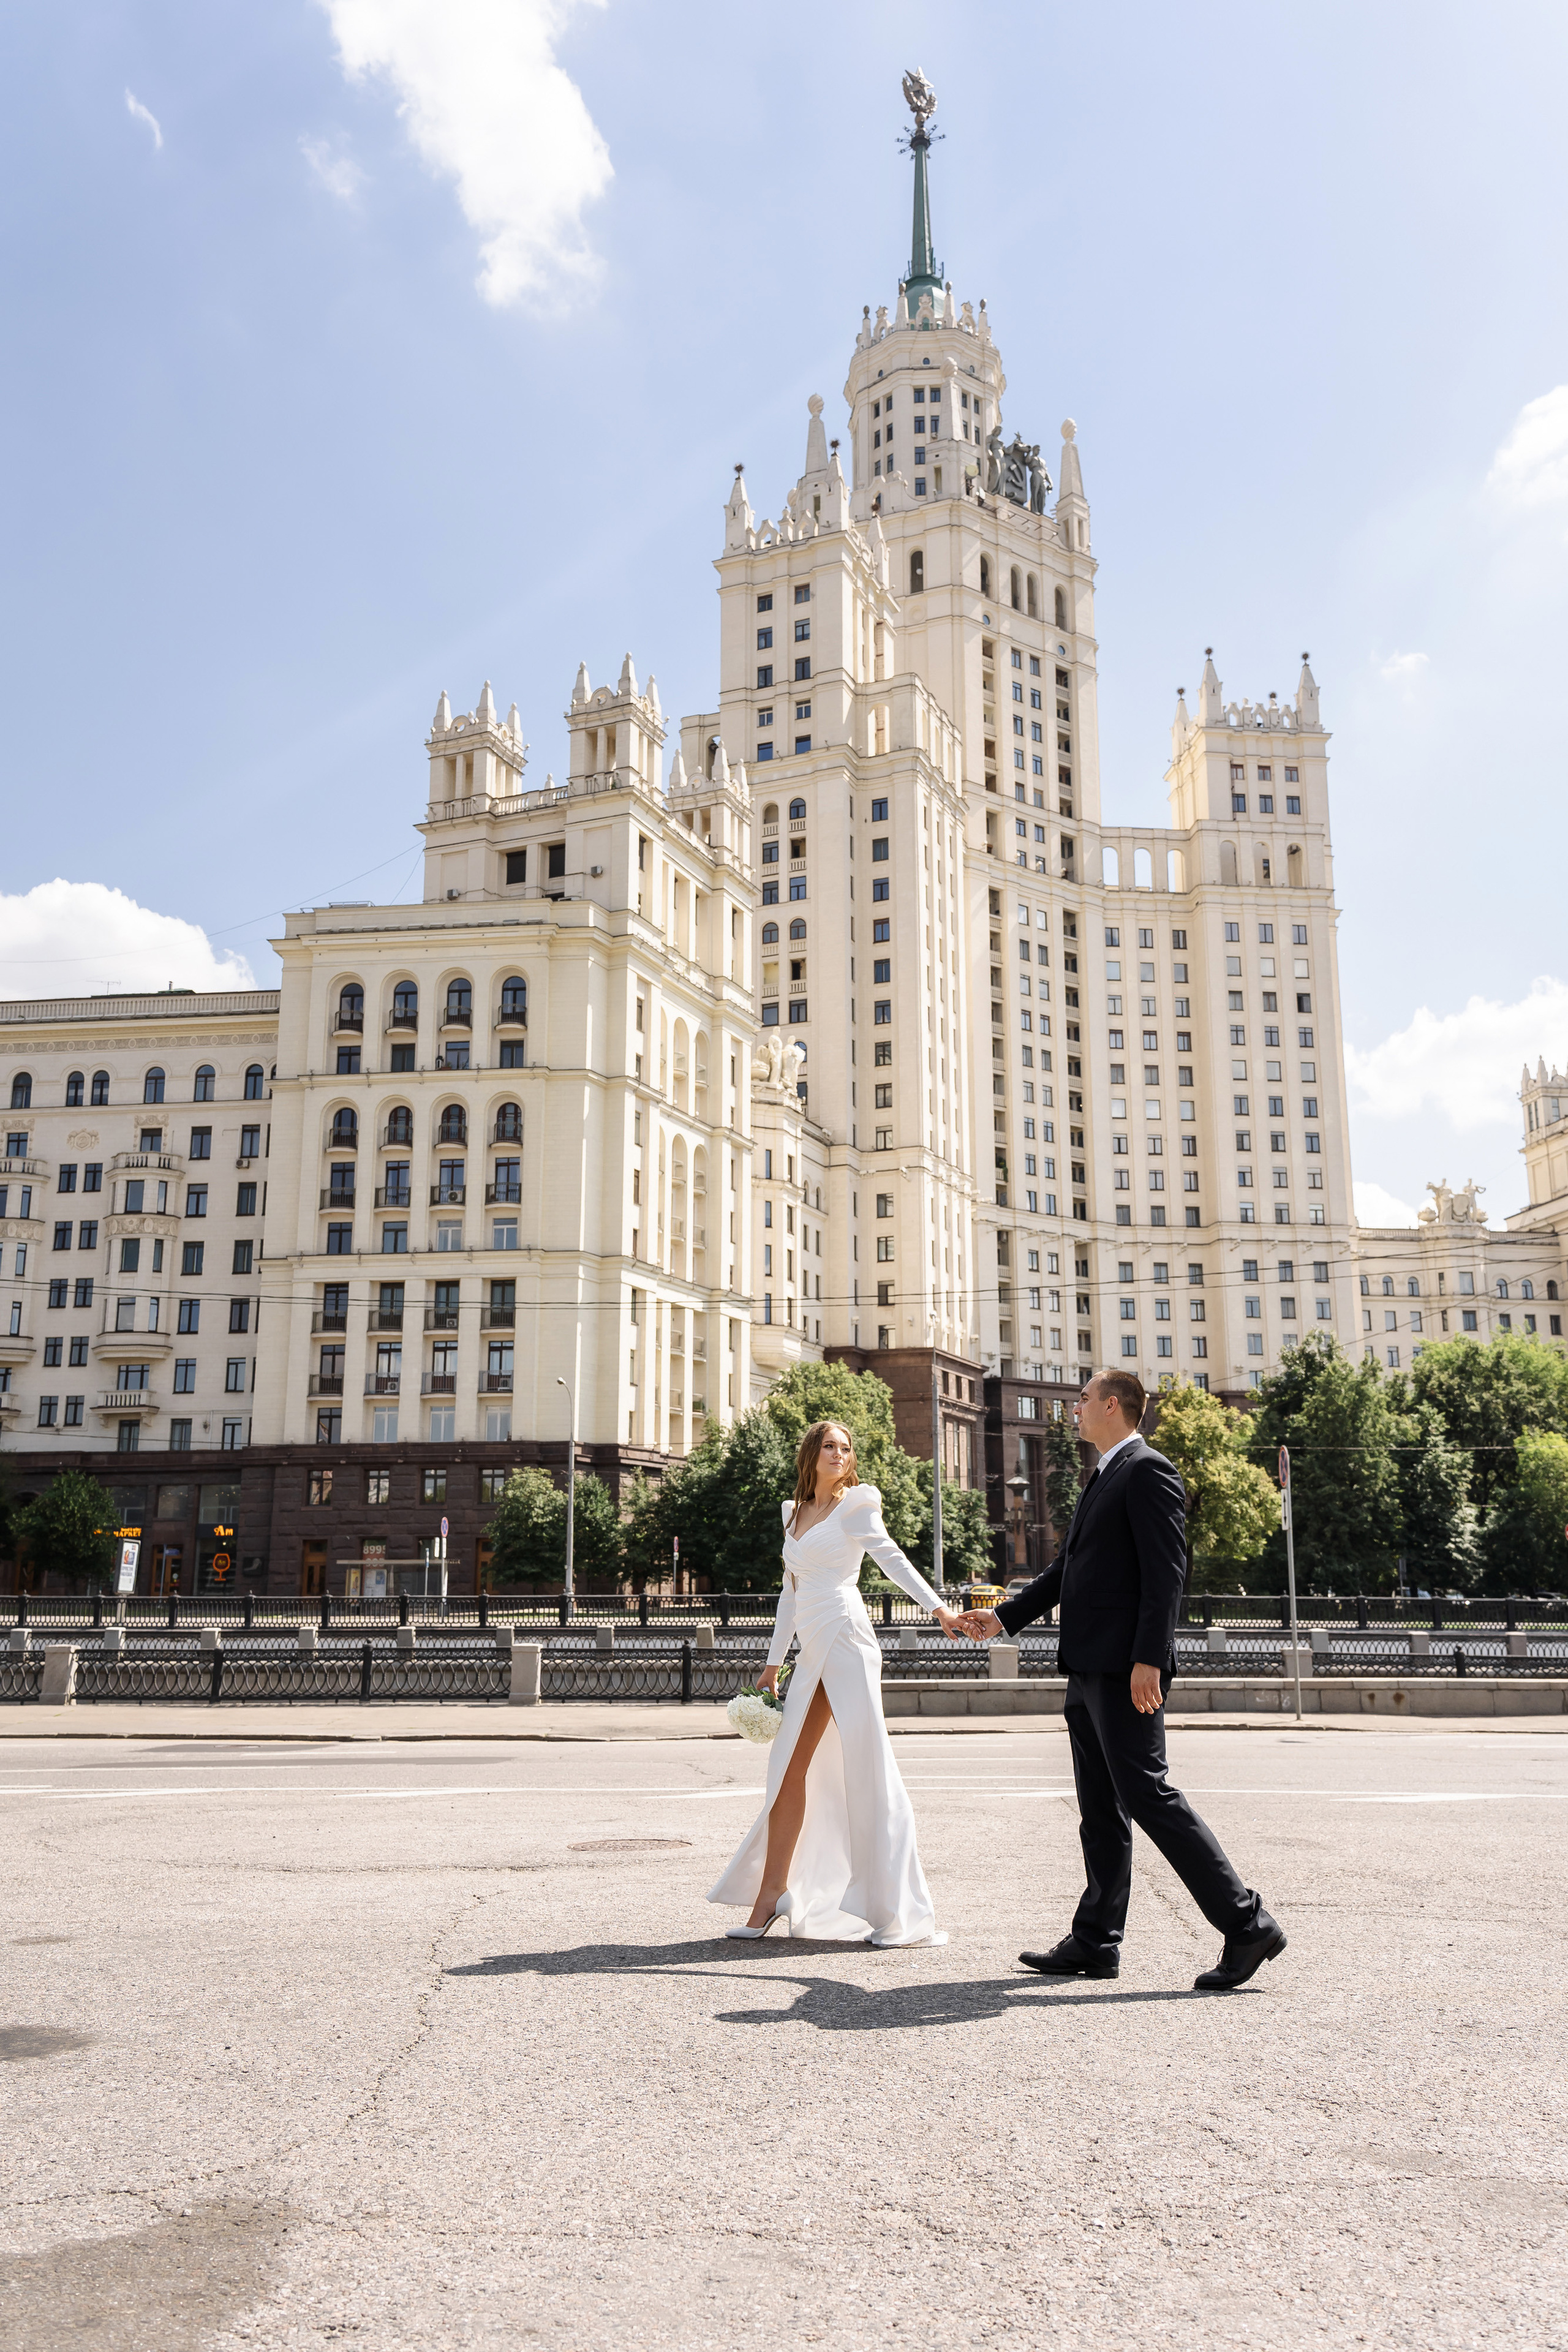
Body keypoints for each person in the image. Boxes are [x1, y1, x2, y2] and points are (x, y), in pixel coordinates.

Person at [955, 1370, 1286, 1992]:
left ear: (1112, 1406)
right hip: (1087, 1664)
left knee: (1147, 1796)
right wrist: (1001, 1618)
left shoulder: (1147, 1470)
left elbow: (1166, 1574)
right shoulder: (1105, 1473)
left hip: (1123, 1667)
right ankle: (1096, 1941)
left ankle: (1247, 1923)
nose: (1073, 1409)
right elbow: (1066, 1569)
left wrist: (1150, 1659)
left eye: (1081, 1400)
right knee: (1100, 1810)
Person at [708, 1420, 961, 1947]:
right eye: (829, 1446)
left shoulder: (857, 1503)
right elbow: (789, 1593)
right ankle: (772, 1894)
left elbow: (890, 1558)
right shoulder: (792, 1512)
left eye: (845, 1448)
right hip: (811, 1645)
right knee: (787, 1768)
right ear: (811, 1453)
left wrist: (938, 1608)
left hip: (847, 1638)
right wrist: (774, 1664)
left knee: (869, 1767)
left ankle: (897, 1910)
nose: (839, 1454)